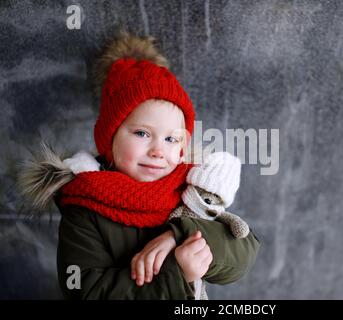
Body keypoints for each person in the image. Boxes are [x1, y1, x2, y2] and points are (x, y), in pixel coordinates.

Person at [18, 31, 260, 299]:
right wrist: (177, 272)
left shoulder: (190, 189)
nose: (158, 151)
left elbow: (243, 251)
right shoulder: (84, 205)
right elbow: (85, 290)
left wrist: (178, 236)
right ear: (110, 139)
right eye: (142, 134)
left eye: (171, 139)